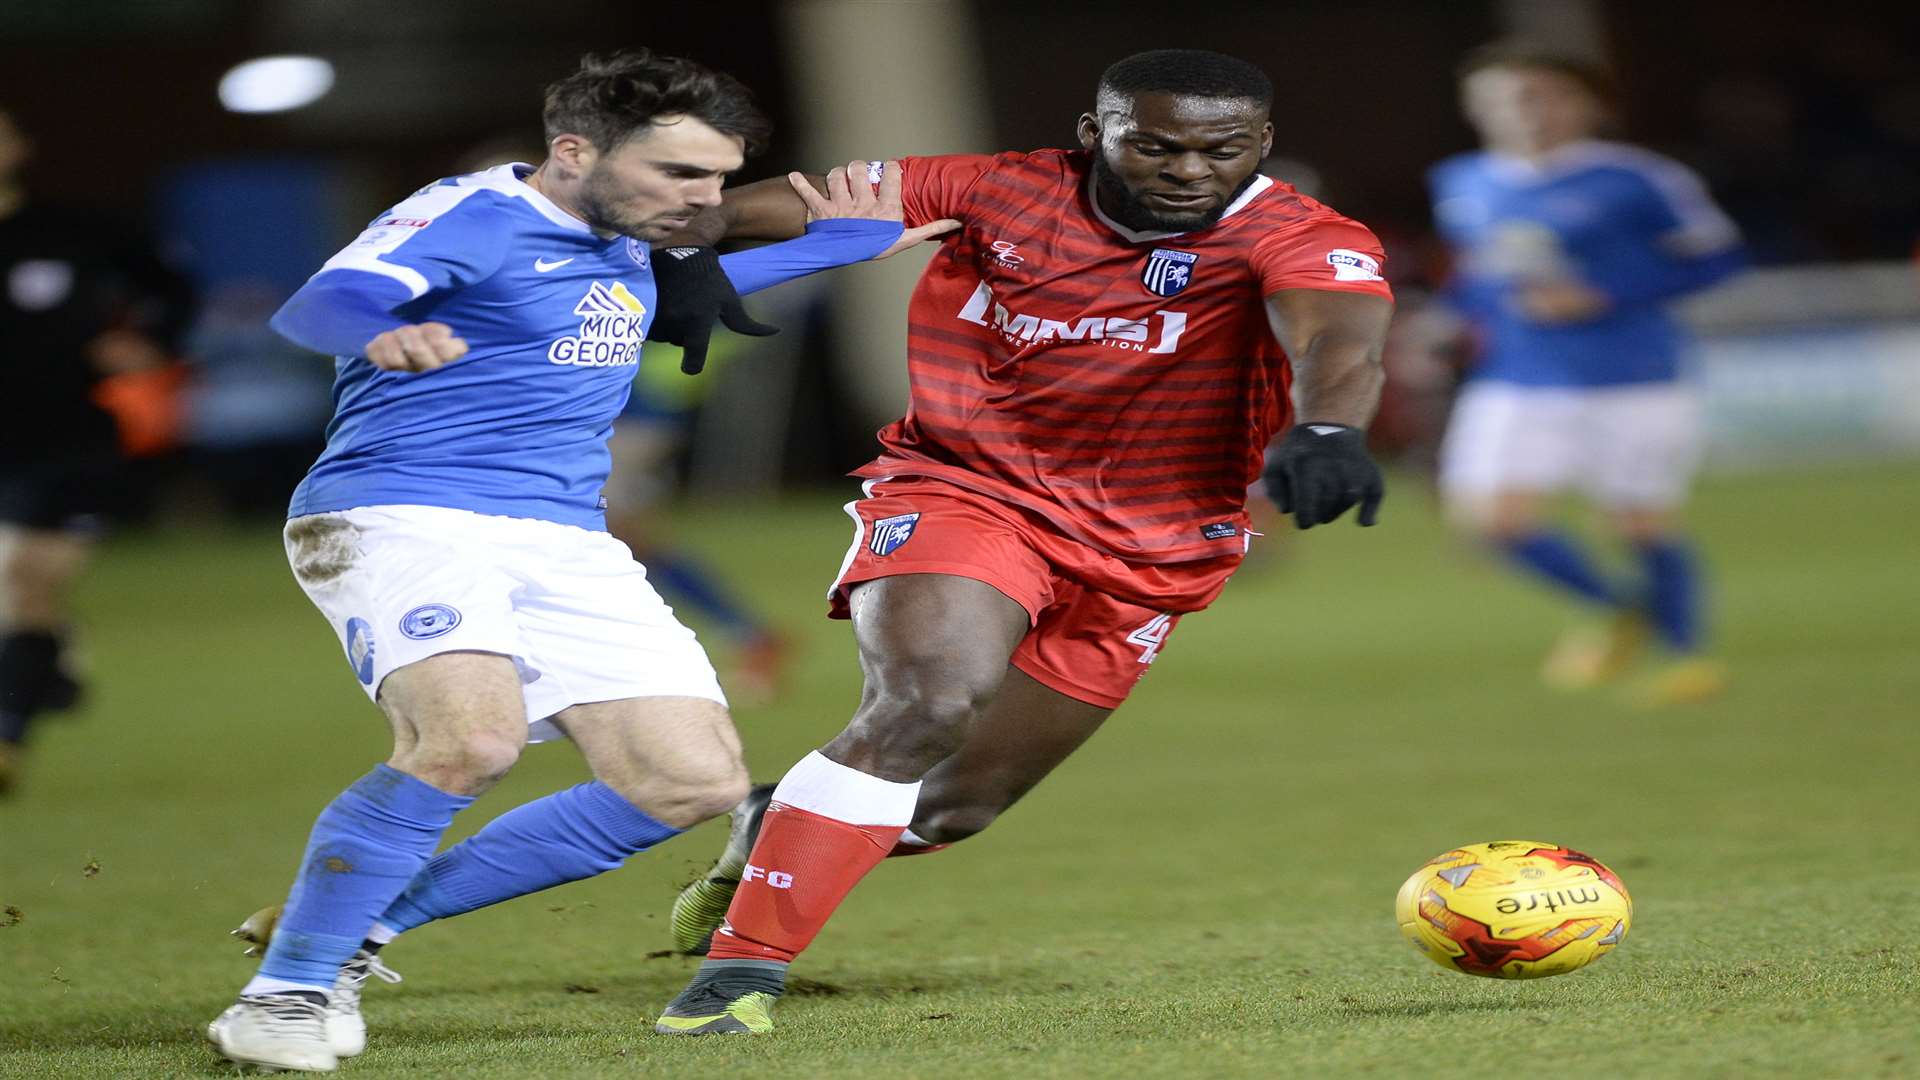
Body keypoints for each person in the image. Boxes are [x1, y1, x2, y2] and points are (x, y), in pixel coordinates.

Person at [203, 50, 944, 1073]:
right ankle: (282, 997)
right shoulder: (473, 212)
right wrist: (382, 333)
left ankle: (351, 924)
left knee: (687, 780)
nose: (707, 201)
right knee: (470, 744)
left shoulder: (625, 238)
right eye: (679, 175)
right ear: (574, 151)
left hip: (560, 535)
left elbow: (679, 295)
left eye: (719, 179)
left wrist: (856, 243)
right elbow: (322, 304)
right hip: (405, 513)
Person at [650, 48, 1396, 1035]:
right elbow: (776, 208)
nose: (1187, 169)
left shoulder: (1300, 235)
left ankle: (768, 824)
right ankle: (739, 975)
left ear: (1260, 145)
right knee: (927, 702)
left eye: (1220, 150)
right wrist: (687, 248)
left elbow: (1338, 338)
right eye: (1156, 146)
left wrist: (1330, 426)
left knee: (951, 806)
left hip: (1151, 553)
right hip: (969, 485)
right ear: (1097, 134)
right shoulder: (992, 188)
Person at [1427, 41, 1746, 703]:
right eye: (1503, 99)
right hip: (1517, 376)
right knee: (1490, 522)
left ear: (1583, 103)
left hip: (1632, 375)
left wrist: (1607, 291)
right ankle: (1619, 610)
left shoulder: (1638, 178)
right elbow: (1483, 273)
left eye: (1539, 95)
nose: (1523, 112)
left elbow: (1716, 258)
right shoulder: (1462, 181)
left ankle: (1688, 660)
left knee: (1637, 524)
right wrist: (1447, 315)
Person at [0, 106, 194, 794]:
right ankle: (44, 661)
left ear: (19, 144)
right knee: (20, 597)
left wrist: (152, 342)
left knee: (27, 577)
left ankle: (8, 737)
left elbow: (174, 288)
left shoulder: (74, 232)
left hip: (66, 441)